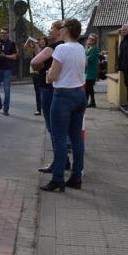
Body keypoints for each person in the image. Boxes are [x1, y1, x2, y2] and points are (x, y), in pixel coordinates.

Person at [40, 18, 87, 192]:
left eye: (62, 28)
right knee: (76, 138)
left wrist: (48, 74)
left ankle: (58, 178)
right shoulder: (81, 48)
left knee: (59, 139)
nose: (59, 30)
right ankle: (76, 177)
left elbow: (52, 76)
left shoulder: (61, 48)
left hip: (63, 96)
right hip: (79, 94)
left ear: (66, 30)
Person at [31, 20, 69, 173]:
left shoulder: (52, 47)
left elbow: (35, 62)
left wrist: (39, 65)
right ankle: (64, 160)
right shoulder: (69, 47)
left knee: (52, 127)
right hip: (63, 89)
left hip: (48, 88)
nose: (49, 30)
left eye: (52, 28)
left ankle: (58, 162)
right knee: (61, 127)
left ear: (60, 31)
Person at [0, 28, 17, 115]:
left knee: (7, 90)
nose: (2, 35)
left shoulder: (11, 43)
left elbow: (14, 56)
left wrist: (5, 56)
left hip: (7, 70)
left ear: (8, 34)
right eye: (1, 33)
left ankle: (6, 109)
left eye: (4, 33)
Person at [28, 37, 47, 116]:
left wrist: (36, 51)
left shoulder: (47, 51)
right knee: (37, 91)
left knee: (44, 91)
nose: (41, 43)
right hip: (35, 73)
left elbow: (41, 60)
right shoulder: (36, 50)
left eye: (43, 42)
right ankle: (38, 109)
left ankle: (45, 108)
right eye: (40, 42)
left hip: (44, 73)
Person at [116, 24, 128, 107]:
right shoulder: (123, 41)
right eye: (122, 30)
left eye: (124, 30)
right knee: (126, 83)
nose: (122, 31)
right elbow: (121, 54)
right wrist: (119, 65)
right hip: (124, 66)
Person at [85, 33, 100, 107]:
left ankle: (89, 102)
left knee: (89, 87)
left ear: (95, 41)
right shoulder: (88, 48)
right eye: (89, 38)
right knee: (88, 87)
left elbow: (89, 59)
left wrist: (85, 58)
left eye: (92, 39)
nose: (90, 40)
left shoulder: (94, 49)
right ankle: (91, 102)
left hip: (91, 71)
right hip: (87, 70)